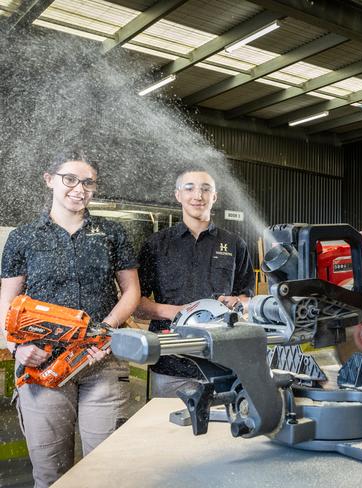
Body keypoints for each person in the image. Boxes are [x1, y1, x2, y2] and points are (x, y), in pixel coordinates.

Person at [0, 149, 140, 488]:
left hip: (102, 362)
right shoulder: (23, 237)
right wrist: (17, 348)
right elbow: (7, 304)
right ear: (49, 180)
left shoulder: (111, 232)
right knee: (50, 473)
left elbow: (131, 292)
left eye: (88, 182)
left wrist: (104, 331)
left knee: (104, 470)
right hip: (43, 364)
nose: (79, 188)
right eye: (70, 179)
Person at [136, 169, 255, 398]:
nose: (198, 195)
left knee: (222, 430)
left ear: (215, 197)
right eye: (189, 188)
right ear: (178, 195)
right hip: (170, 366)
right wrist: (179, 312)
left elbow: (247, 298)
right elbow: (138, 305)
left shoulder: (234, 244)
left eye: (205, 189)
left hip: (222, 362)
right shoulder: (156, 245)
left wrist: (237, 302)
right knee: (167, 428)